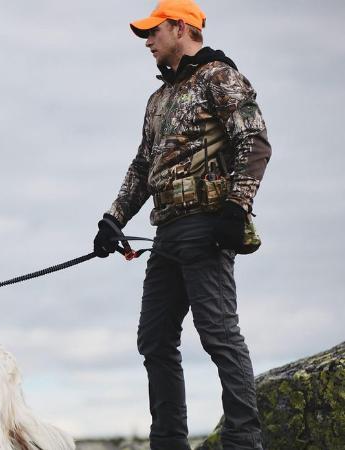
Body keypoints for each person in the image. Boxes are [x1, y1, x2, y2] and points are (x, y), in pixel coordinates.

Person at [92, 1, 271, 449]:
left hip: (207, 227)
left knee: (219, 335)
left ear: (179, 27)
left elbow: (254, 143)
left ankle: (243, 442)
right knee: (154, 339)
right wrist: (113, 219)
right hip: (167, 234)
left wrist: (236, 208)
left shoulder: (219, 77)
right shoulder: (158, 99)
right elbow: (142, 168)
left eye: (153, 32)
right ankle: (169, 442)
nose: (147, 42)